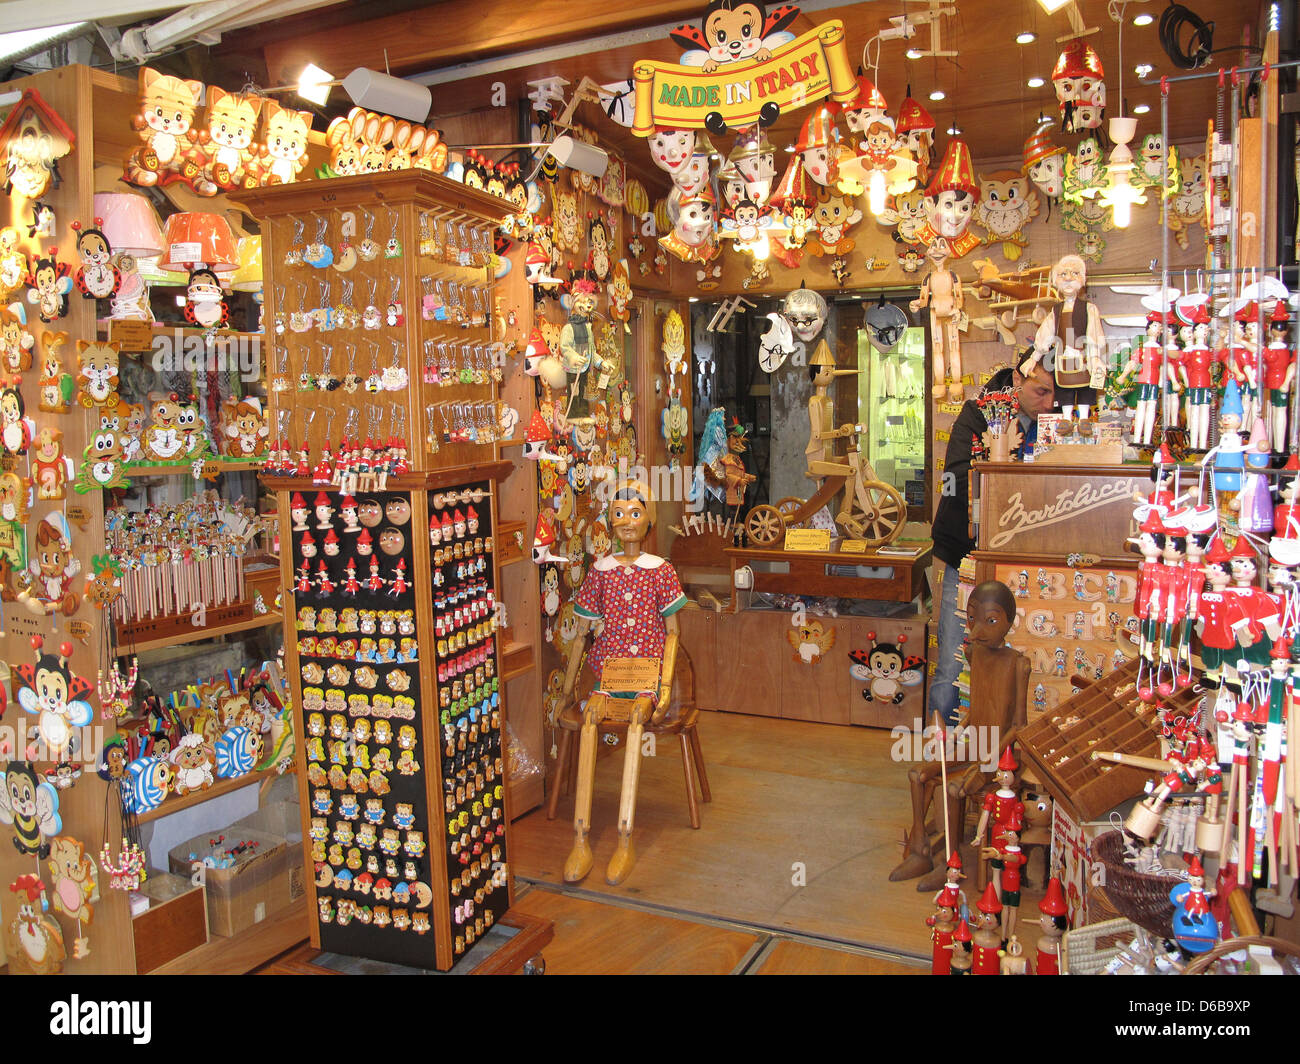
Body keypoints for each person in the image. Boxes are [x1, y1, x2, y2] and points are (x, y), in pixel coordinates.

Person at [929, 349, 1057, 725]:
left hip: (1026, 558)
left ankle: (999, 755)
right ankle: (945, 757)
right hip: (969, 554)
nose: (1050, 404)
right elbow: (953, 480)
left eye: (1055, 395)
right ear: (1018, 379)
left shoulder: (1055, 420)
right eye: (1042, 392)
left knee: (1021, 657)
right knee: (954, 660)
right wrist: (997, 457)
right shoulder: (978, 414)